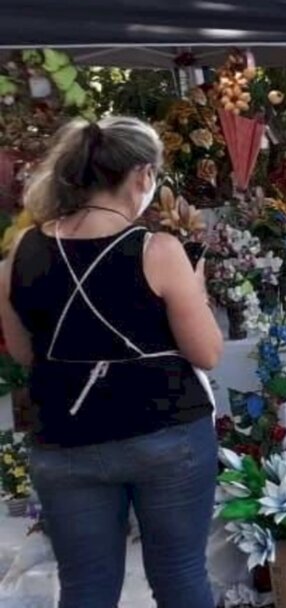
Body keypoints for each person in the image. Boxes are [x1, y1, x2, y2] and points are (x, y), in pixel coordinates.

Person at [0, 117, 223, 608]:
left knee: (85, 588)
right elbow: (206, 352)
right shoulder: (157, 249)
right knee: (181, 576)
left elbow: (23, 352)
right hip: (164, 435)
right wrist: (196, 292)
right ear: (143, 176)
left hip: (64, 439)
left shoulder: (24, 250)